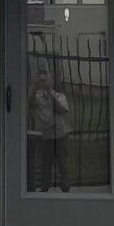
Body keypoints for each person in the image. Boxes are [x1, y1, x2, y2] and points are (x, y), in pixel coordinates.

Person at [26, 64, 72, 192]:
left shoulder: (59, 96)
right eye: (42, 80)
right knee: (45, 164)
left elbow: (61, 110)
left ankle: (66, 187)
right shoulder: (37, 97)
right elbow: (28, 103)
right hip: (45, 136)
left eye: (46, 79)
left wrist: (49, 92)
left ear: (51, 81)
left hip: (60, 135)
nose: (44, 82)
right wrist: (35, 86)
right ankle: (44, 188)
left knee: (63, 163)